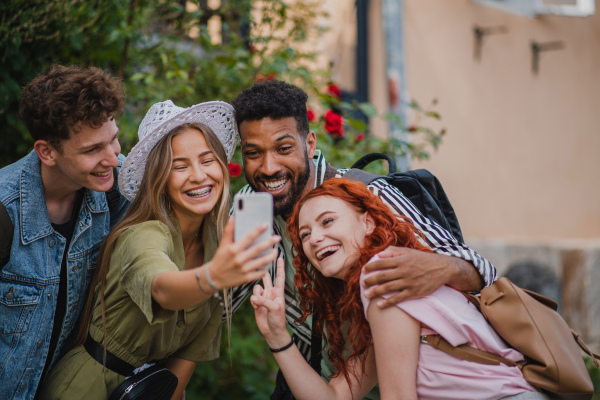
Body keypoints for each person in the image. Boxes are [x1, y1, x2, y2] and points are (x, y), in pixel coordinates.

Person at [229, 80, 497, 398]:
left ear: (310, 144)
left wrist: (439, 268)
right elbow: (220, 307)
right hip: (311, 380)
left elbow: (484, 273)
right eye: (254, 154)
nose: (269, 167)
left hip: (392, 384)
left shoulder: (366, 195)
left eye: (284, 148)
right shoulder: (251, 207)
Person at [39, 100, 280, 400]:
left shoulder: (219, 245)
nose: (198, 175)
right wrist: (213, 276)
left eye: (207, 160)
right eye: (180, 166)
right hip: (86, 388)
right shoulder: (143, 233)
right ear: (161, 180)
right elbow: (162, 288)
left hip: (151, 391)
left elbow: (191, 350)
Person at [251, 178, 547, 400]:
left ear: (367, 222)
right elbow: (337, 397)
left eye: (327, 221)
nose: (315, 238)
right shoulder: (390, 281)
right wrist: (277, 336)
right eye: (305, 234)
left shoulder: (381, 277)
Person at [0, 65, 129, 400]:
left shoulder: (119, 190)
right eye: (92, 150)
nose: (112, 159)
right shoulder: (4, 210)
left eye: (113, 140)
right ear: (47, 152)